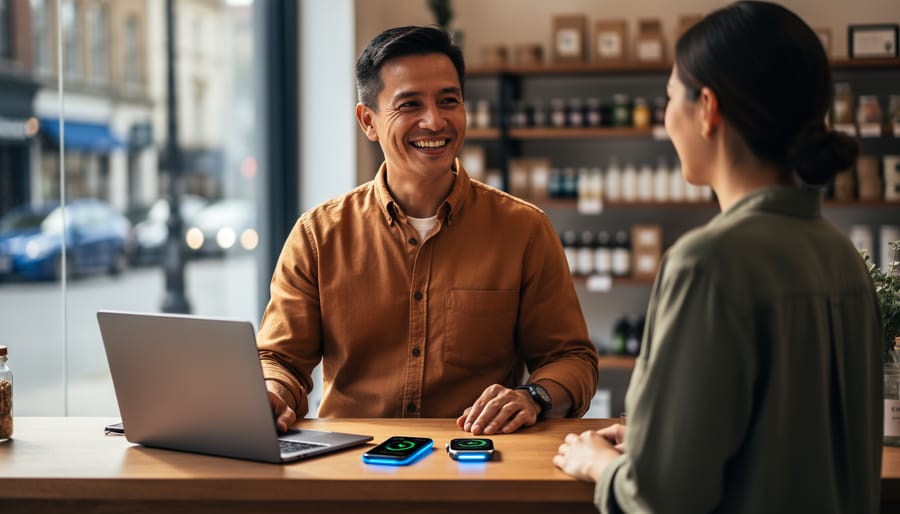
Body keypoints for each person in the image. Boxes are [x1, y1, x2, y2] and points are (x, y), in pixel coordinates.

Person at [553, 2, 883, 513]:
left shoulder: (708, 263)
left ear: (707, 108)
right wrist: (656, 437)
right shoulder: (843, 257)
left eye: (668, 98)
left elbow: (662, 500)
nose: (666, 117)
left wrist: (599, 464)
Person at [257, 25, 599, 436]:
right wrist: (271, 392)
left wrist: (533, 396)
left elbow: (572, 358)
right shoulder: (318, 236)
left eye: (448, 101)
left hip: (478, 459)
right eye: (410, 105)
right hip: (350, 462)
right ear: (368, 121)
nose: (435, 121)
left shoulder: (524, 230)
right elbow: (279, 359)